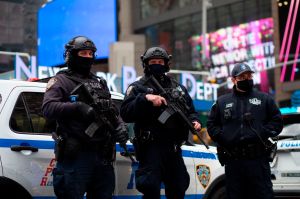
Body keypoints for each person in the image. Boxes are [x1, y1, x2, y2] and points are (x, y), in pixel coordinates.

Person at [42, 36, 129, 199]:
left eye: (91, 54)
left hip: (102, 156)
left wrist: (121, 125)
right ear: (70, 55)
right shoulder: (61, 81)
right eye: (83, 53)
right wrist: (77, 107)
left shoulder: (100, 82)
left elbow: (111, 110)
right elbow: (48, 108)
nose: (88, 57)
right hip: (76, 156)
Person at [120, 47, 202, 199]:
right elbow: (125, 113)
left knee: (178, 186)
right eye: (153, 62)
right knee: (150, 188)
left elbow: (191, 111)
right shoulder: (138, 87)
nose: (157, 64)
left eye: (160, 61)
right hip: (150, 148)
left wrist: (195, 121)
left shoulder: (178, 87)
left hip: (173, 149)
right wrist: (145, 99)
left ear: (166, 64)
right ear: (146, 64)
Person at [207, 63, 283, 199]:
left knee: (263, 195)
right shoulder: (222, 102)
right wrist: (223, 137)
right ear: (233, 80)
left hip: (258, 161)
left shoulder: (264, 99)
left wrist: (263, 132)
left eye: (249, 76)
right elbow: (211, 125)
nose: (247, 79)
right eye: (242, 77)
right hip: (233, 162)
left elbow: (277, 122)